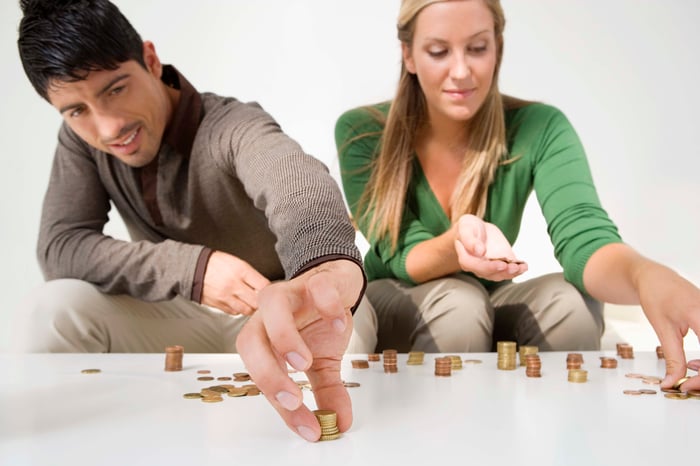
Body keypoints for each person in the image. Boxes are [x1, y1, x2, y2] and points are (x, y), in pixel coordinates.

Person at [16, 0, 367, 442]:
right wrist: (194, 270)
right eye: (75, 110)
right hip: (181, 321)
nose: (107, 128)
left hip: (283, 315)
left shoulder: (231, 125)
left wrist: (323, 266)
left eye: (115, 89)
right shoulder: (81, 141)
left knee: (341, 325)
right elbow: (60, 246)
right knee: (51, 310)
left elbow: (296, 183)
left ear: (149, 59)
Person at [335, 0, 700, 391]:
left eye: (477, 48)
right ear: (408, 54)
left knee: (571, 306)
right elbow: (400, 252)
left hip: (488, 301)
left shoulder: (540, 127)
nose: (461, 71)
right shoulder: (361, 132)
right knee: (459, 306)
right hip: (401, 297)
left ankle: (559, 446)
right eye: (438, 52)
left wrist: (647, 276)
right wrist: (460, 238)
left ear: (498, 48)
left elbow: (584, 236)